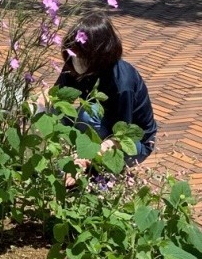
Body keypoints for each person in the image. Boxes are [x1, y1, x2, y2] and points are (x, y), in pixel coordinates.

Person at [54, 12, 157, 168]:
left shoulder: (122, 84)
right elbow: (56, 98)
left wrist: (88, 156)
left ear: (99, 54)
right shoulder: (74, 64)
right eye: (74, 52)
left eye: (82, 54)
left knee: (88, 114)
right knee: (56, 112)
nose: (76, 59)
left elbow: (123, 135)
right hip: (100, 127)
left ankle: (95, 168)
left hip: (133, 143)